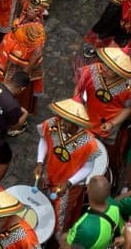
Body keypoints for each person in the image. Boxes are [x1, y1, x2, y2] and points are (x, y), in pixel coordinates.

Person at [35, 99, 99, 236]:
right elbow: (44, 140)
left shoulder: (89, 142)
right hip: (50, 175)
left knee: (61, 217)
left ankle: (58, 240)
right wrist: (40, 162)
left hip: (70, 187)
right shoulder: (53, 124)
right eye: (62, 118)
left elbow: (88, 168)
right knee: (42, 205)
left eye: (67, 121)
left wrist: (69, 182)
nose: (62, 123)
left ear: (77, 123)